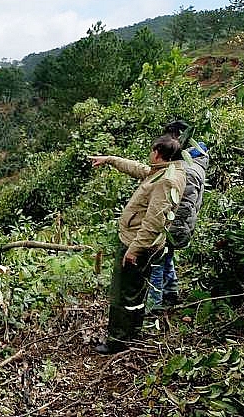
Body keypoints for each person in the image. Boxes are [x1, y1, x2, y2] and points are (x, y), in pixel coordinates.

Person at [89, 135, 186, 354]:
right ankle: (132, 332)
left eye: (152, 151)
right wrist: (110, 159)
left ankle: (117, 341)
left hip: (137, 244)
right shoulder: (167, 170)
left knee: (123, 293)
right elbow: (139, 169)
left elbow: (154, 221)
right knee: (135, 291)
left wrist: (134, 249)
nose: (149, 155)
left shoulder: (166, 181)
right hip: (140, 243)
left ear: (158, 153)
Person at [147, 121, 209, 312]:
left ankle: (154, 305)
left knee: (156, 261)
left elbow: (182, 206)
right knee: (166, 258)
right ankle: (171, 293)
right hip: (181, 226)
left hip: (174, 226)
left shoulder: (187, 170)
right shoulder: (194, 164)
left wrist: (165, 228)